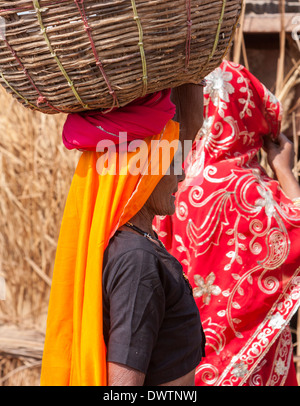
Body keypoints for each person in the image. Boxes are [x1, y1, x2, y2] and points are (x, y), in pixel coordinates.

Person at [40, 84, 205, 386]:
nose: (182, 175)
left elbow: (186, 129)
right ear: (139, 171)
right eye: (172, 163)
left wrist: (190, 83)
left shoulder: (133, 243)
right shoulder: (137, 260)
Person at [154, 60, 300, 386]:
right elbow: (297, 230)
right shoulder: (248, 188)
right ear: (247, 114)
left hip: (180, 360)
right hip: (248, 355)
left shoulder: (170, 178)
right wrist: (285, 172)